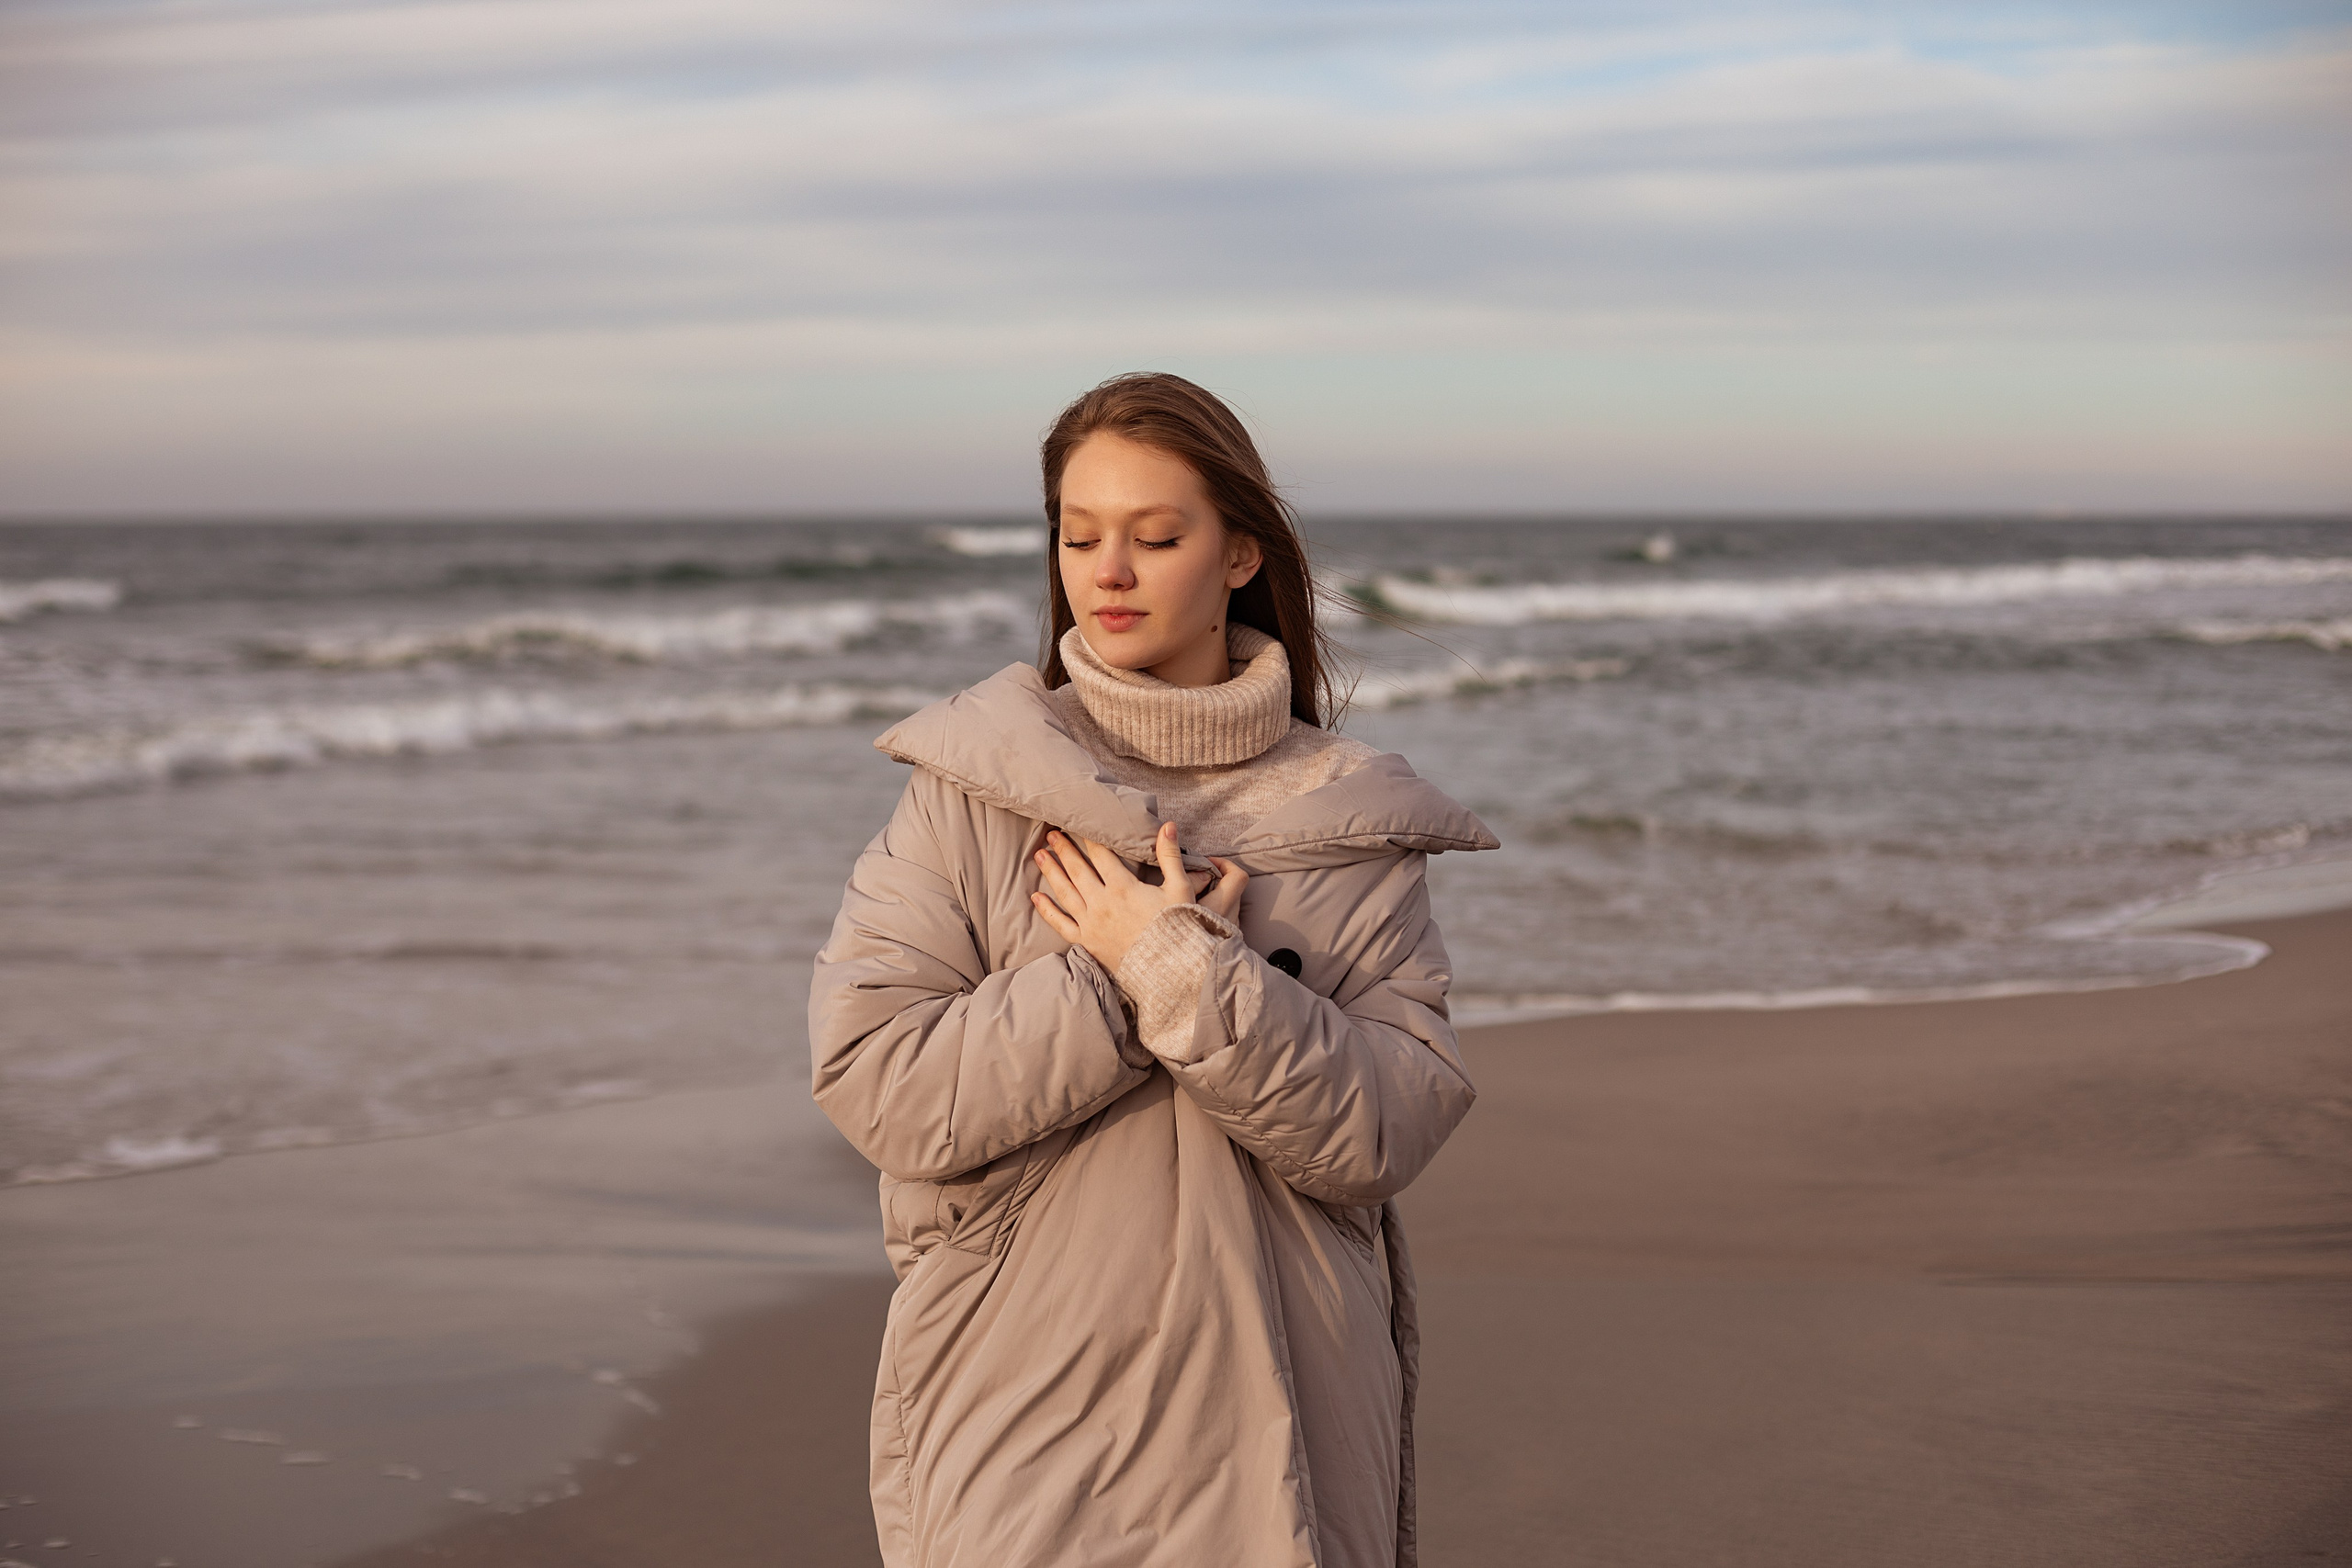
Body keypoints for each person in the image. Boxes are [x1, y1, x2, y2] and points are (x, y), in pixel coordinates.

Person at [810, 372, 1497, 1568]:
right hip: (1029, 1405)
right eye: (1080, 537)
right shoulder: (971, 796)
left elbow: (1391, 1126)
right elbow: (882, 1086)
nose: (1108, 571)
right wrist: (1113, 984)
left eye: (1155, 536)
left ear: (1238, 555)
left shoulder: (1348, 820)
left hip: (1293, 1419)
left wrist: (1186, 973)